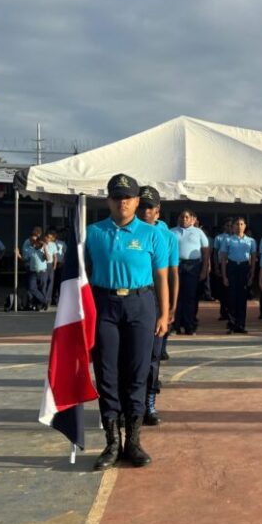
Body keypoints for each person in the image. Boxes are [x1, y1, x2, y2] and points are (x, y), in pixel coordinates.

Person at [84, 173, 170, 470]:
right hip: (104, 305)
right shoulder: (93, 233)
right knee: (107, 372)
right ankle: (111, 443)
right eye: (117, 197)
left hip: (140, 304)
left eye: (128, 197)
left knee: (137, 372)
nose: (123, 202)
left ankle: (132, 441)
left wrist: (164, 313)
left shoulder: (151, 234)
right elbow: (82, 276)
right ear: (108, 200)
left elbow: (162, 276)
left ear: (136, 201)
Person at [137, 186, 179, 425]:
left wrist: (171, 307)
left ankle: (149, 403)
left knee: (153, 356)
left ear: (158, 211)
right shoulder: (124, 232)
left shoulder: (167, 237)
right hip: (133, 298)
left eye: (150, 207)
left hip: (155, 299)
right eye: (141, 206)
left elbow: (172, 274)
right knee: (130, 357)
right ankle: (130, 404)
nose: (145, 211)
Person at [171, 209, 210, 335]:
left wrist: (204, 269)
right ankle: (175, 325)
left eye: (187, 217)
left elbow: (205, 252)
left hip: (192, 266)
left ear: (192, 219)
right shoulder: (172, 232)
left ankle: (189, 325)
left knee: (190, 297)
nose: (184, 219)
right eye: (182, 217)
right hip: (176, 266)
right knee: (176, 296)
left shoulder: (198, 232)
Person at [219, 217, 256, 334]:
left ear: (245, 226)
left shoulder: (251, 241)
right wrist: (224, 276)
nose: (239, 226)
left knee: (242, 298)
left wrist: (252, 275)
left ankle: (241, 325)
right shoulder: (228, 240)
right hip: (232, 267)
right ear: (233, 226)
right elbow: (223, 259)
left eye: (241, 224)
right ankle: (232, 324)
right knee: (232, 297)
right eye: (236, 224)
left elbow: (254, 259)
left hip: (244, 268)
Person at [20, 230, 51, 311]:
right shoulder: (30, 249)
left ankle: (40, 305)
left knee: (42, 289)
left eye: (34, 240)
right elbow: (25, 259)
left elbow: (48, 259)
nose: (33, 242)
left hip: (42, 272)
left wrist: (44, 248)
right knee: (32, 288)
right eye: (31, 240)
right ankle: (45, 301)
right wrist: (18, 255)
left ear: (38, 241)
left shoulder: (43, 249)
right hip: (33, 272)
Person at [212, 219, 233, 321]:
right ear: (224, 227)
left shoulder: (235, 237)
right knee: (223, 290)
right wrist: (216, 266)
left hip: (232, 265)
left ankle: (231, 312)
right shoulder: (219, 238)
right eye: (227, 225)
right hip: (222, 265)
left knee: (231, 290)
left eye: (231, 225)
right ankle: (223, 312)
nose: (229, 227)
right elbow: (215, 253)